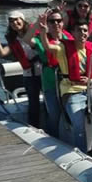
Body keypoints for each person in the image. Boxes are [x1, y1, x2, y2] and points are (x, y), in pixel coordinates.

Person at [39, 15, 92, 152]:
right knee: (78, 124)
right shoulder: (62, 48)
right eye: (79, 30)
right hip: (72, 91)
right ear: (73, 33)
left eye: (85, 31)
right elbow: (48, 47)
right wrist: (44, 32)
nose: (82, 33)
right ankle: (82, 153)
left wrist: (91, 80)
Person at [0, 11, 41, 127]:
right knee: (33, 104)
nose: (15, 23)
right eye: (11, 21)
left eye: (17, 20)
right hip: (28, 75)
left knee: (49, 102)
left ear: (23, 20)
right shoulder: (13, 40)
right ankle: (34, 126)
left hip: (43, 72)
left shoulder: (34, 33)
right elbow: (2, 53)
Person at [32, 8, 73, 138]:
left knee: (70, 113)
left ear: (63, 22)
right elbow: (27, 39)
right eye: (52, 21)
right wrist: (38, 24)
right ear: (48, 23)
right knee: (54, 114)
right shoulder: (40, 39)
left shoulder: (69, 37)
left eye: (58, 20)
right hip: (50, 82)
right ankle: (52, 138)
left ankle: (68, 138)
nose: (56, 24)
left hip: (68, 83)